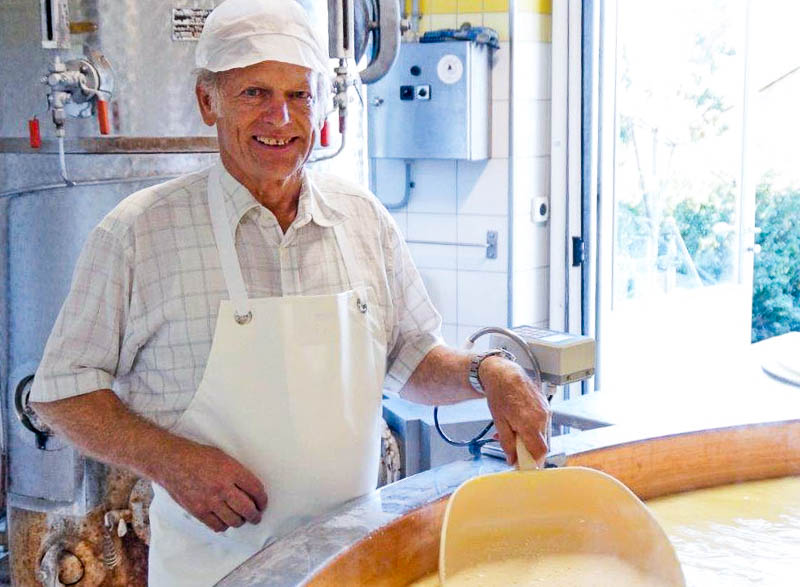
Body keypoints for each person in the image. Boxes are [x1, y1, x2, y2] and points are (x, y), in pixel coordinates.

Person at [30, 0, 549, 585]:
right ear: (208, 101)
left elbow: (411, 360)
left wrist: (488, 372)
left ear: (322, 103)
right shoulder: (138, 233)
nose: (280, 117)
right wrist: (171, 461)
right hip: (215, 570)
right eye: (254, 93)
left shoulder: (362, 218)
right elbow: (61, 392)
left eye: (299, 94)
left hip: (351, 564)